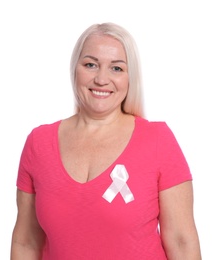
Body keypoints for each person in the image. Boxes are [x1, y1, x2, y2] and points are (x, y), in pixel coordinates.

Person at [10, 22, 202, 259]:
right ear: (74, 69)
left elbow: (182, 242)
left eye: (117, 68)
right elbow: (26, 242)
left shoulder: (157, 141)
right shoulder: (38, 144)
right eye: (91, 65)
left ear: (130, 77)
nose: (101, 79)